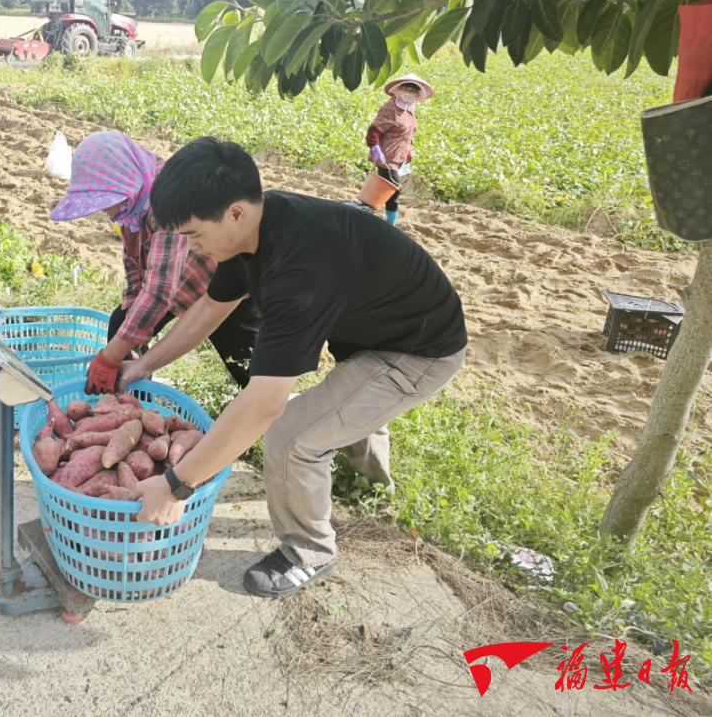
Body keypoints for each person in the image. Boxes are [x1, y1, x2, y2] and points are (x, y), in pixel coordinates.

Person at [122, 137, 466, 598]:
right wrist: (143, 364)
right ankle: (368, 483)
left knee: (292, 437)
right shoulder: (253, 228)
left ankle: (309, 552)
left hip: (418, 351)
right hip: (376, 331)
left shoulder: (299, 271)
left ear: (235, 213)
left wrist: (175, 486)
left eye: (194, 235)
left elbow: (265, 405)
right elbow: (210, 308)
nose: (192, 248)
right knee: (343, 409)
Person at [49, 131, 259, 393]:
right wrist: (130, 307)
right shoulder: (131, 199)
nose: (105, 210)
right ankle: (132, 400)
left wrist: (110, 357)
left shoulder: (167, 202)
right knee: (121, 322)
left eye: (105, 201)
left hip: (223, 279)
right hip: (172, 278)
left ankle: (268, 408)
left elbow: (159, 293)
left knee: (246, 364)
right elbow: (134, 259)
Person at [352, 73, 433, 226]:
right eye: (406, 88)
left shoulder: (409, 109)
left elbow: (406, 134)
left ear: (417, 94)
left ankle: (367, 213)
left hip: (399, 158)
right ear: (399, 89)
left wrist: (408, 152)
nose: (409, 92)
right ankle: (389, 223)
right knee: (392, 190)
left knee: (387, 191)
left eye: (413, 90)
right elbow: (374, 131)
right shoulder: (391, 108)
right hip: (386, 157)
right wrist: (376, 150)